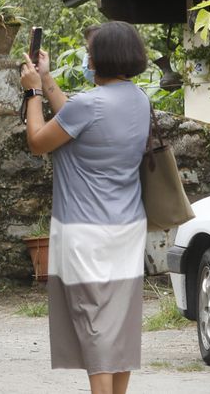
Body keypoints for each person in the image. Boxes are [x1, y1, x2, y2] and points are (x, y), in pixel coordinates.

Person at [20, 21, 150, 394]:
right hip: (127, 227)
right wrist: (46, 80)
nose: (88, 59)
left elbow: (39, 141)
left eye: (91, 53)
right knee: (119, 321)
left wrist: (32, 94)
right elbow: (74, 121)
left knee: (92, 319)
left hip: (84, 231)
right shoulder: (139, 100)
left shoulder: (89, 105)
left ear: (103, 59)